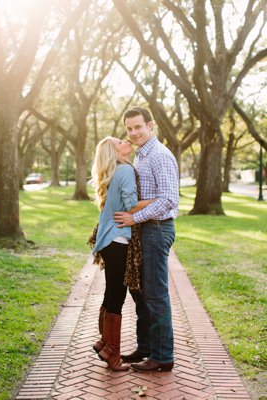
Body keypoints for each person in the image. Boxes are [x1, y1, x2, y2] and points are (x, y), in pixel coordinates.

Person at [114, 107, 179, 372]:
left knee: (155, 295)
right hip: (143, 231)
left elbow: (168, 200)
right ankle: (145, 347)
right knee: (140, 292)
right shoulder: (141, 155)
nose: (134, 133)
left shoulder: (160, 156)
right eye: (129, 129)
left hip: (157, 229)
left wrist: (133, 219)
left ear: (150, 125)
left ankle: (163, 357)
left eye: (138, 127)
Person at [89, 136, 153, 371]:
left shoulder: (116, 171)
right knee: (117, 295)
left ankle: (104, 343)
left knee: (112, 292)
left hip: (108, 241)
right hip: (117, 240)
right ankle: (112, 355)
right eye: (120, 141)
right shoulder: (125, 170)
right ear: (114, 152)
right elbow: (131, 205)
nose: (126, 140)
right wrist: (157, 200)